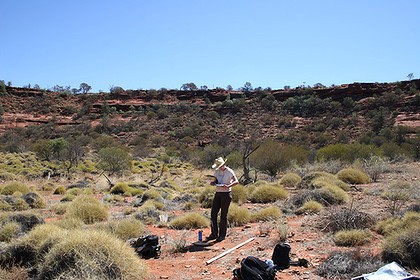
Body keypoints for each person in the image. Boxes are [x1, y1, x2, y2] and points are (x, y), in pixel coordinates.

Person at [206, 157, 239, 242]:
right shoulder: (217, 171)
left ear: (224, 164)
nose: (220, 167)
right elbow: (215, 181)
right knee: (213, 214)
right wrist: (213, 183)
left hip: (226, 194)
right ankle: (214, 234)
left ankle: (222, 235)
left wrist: (228, 186)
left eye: (221, 166)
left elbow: (236, 181)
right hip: (218, 193)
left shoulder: (229, 171)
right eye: (218, 166)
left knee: (223, 215)